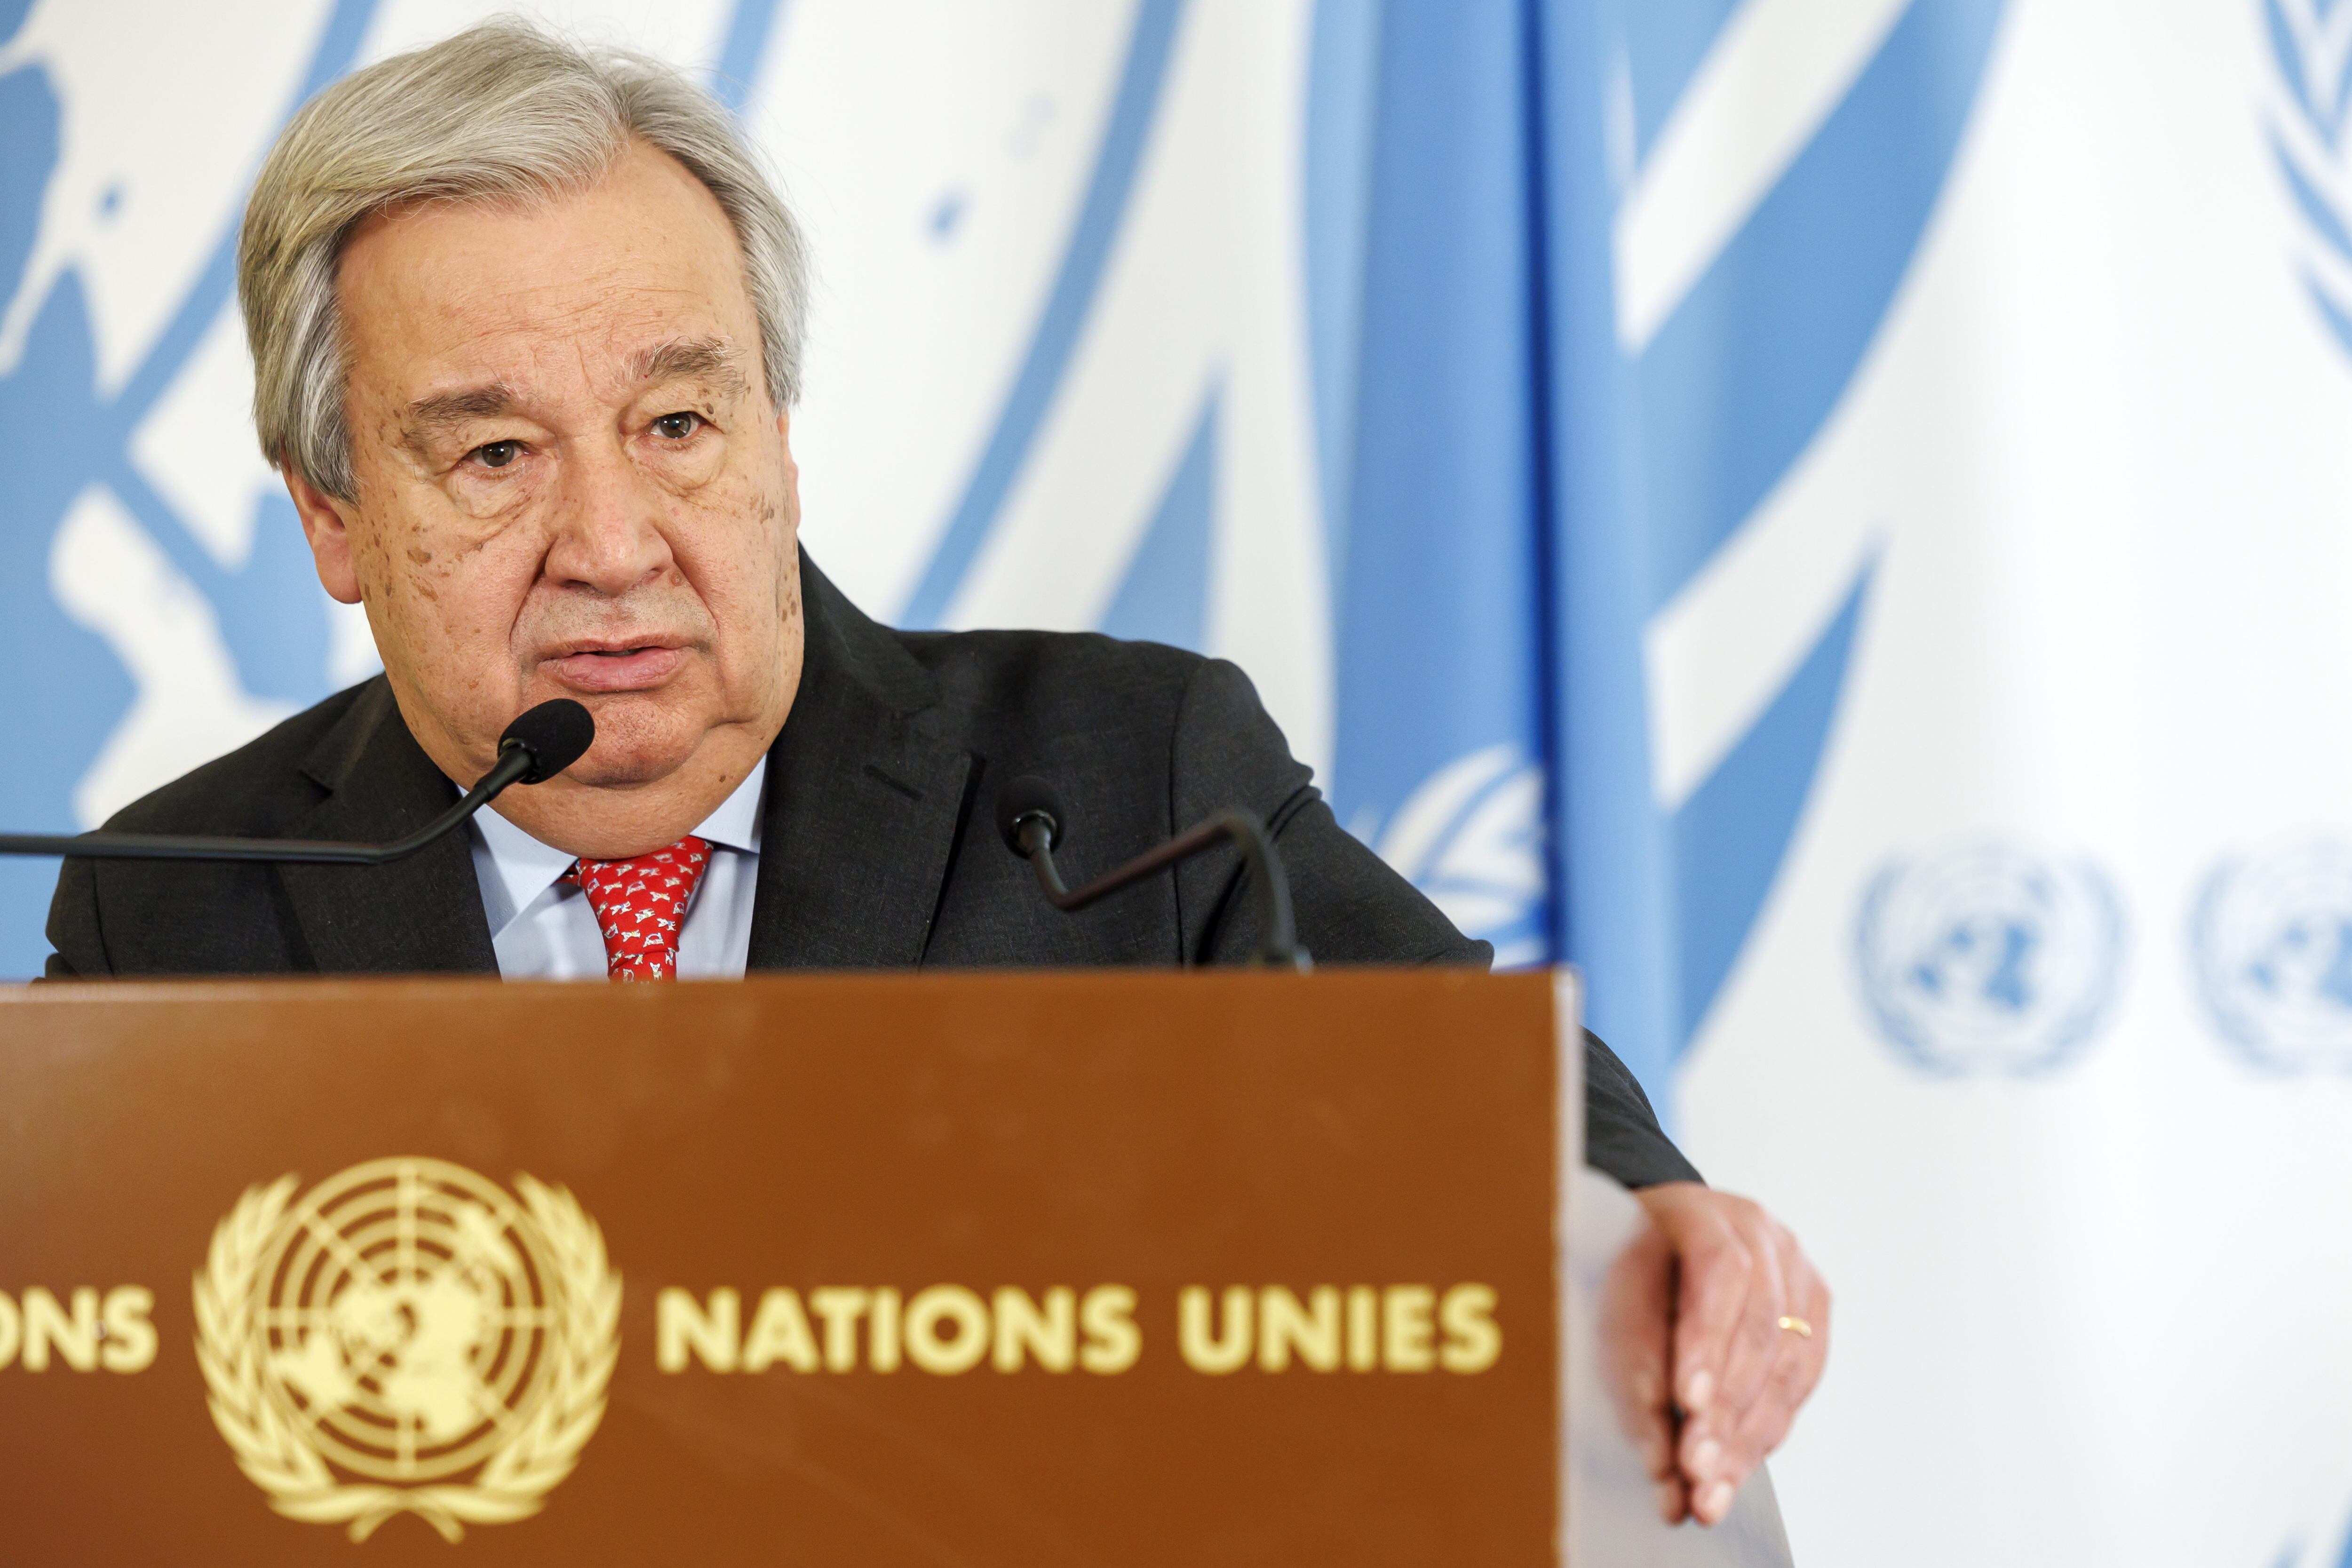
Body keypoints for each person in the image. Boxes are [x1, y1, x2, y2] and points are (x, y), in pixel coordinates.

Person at [40, 22, 1826, 1525]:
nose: (614, 542)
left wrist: (1653, 1216)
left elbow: (1466, 1082)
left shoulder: (1129, 786)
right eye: (496, 453)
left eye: (678, 424)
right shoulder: (181, 902)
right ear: (334, 517)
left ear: (777, 439)